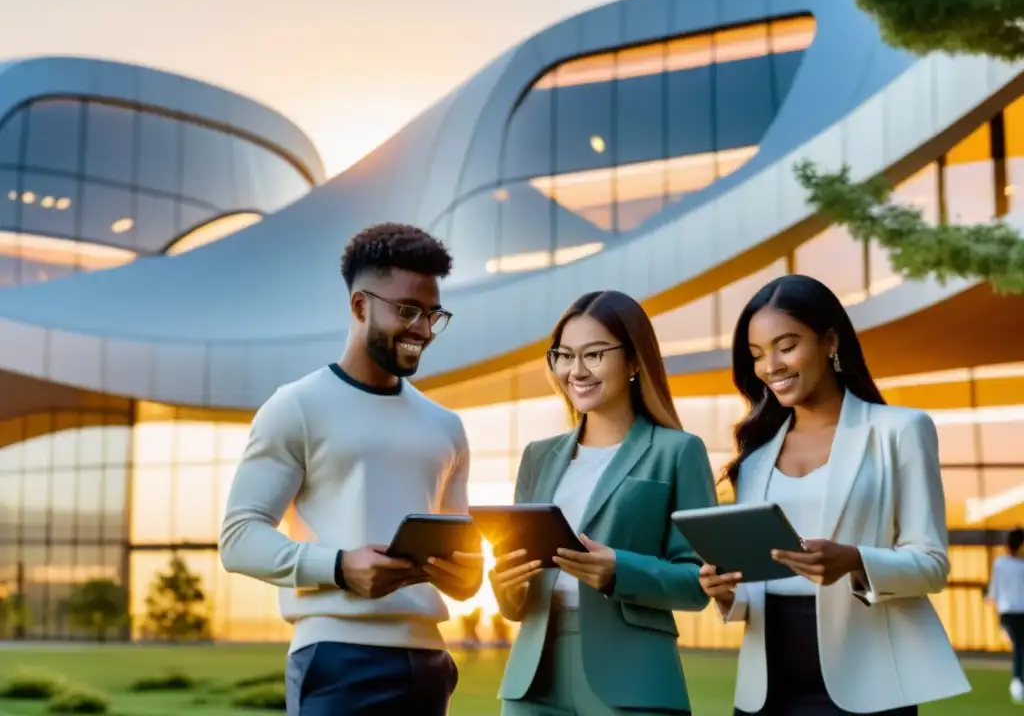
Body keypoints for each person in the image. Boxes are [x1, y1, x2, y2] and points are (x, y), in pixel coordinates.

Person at [219, 222, 483, 716]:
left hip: (429, 662)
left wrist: (466, 575)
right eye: (407, 310)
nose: (422, 330)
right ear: (360, 306)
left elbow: (462, 564)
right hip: (337, 659)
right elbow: (238, 539)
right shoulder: (296, 407)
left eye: (432, 315)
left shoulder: (447, 427)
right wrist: (339, 567)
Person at [698, 273, 970, 715]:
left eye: (786, 346)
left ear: (829, 342)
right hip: (766, 689)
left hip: (869, 682)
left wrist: (855, 561)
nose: (771, 366)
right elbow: (758, 587)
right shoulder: (754, 459)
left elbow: (932, 565)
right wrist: (727, 593)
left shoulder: (900, 430)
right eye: (757, 355)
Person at [490, 289, 716, 715]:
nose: (576, 371)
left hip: (633, 678)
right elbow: (515, 589)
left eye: (594, 355)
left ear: (633, 361)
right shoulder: (538, 456)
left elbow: (698, 582)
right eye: (564, 355)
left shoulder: (678, 451)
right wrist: (506, 583)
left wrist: (619, 571)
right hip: (532, 682)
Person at [987, 527, 1024, 703]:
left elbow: (994, 589)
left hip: (1007, 612)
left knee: (1020, 647)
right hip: (1016, 612)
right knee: (1020, 647)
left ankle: (1018, 682)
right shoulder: (1008, 563)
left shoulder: (1000, 563)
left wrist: (989, 597)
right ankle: (1018, 682)